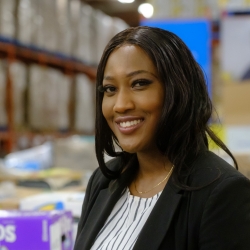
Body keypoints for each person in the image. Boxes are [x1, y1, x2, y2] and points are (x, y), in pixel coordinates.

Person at [74, 26, 250, 250]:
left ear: (179, 90)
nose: (120, 105)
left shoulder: (222, 193)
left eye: (139, 83)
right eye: (110, 89)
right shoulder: (103, 181)